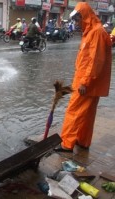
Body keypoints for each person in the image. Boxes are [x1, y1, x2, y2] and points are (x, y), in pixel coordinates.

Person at [54, 2, 112, 152]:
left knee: (73, 111)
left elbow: (95, 61)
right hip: (89, 81)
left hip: (86, 82)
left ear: (84, 16)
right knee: (87, 114)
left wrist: (84, 82)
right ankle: (83, 141)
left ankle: (66, 144)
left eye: (78, 19)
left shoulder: (96, 32)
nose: (77, 23)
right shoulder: (91, 31)